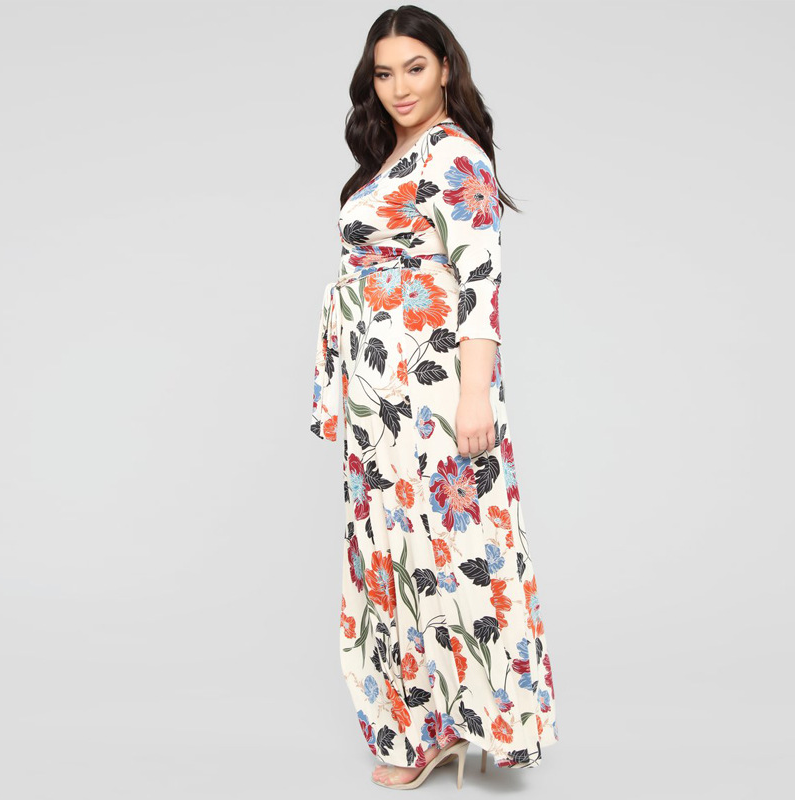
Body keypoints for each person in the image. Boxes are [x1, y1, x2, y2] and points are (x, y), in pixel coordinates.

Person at [310, 5, 559, 789]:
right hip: (379, 396)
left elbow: (480, 280)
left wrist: (474, 393)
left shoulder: (455, 155)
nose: (399, 87)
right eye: (384, 73)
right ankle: (428, 727)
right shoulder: (395, 156)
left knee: (450, 554)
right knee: (397, 553)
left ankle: (470, 722)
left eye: (414, 68)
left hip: (432, 390)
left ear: (446, 67)